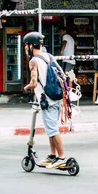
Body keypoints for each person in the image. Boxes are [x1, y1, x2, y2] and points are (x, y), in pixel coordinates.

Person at [23, 32, 67, 169]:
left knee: (53, 130)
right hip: (56, 97)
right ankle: (52, 155)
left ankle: (61, 157)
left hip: (47, 100)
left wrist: (26, 87)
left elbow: (34, 82)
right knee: (50, 129)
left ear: (30, 46)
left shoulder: (33, 61)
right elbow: (62, 75)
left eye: (26, 46)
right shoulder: (49, 56)